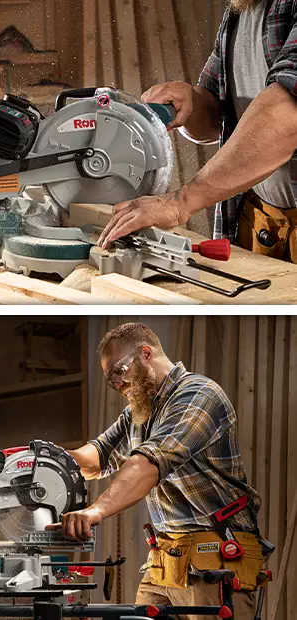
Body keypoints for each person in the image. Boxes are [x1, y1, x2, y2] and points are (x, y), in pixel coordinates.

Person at [49, 322, 269, 618]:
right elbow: (97, 457)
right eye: (109, 379)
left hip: (216, 560)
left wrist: (95, 511)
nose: (117, 384)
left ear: (146, 353)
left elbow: (149, 464)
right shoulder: (140, 411)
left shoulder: (199, 395)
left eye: (118, 371)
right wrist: (42, 463)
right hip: (166, 563)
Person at [99, 0, 297, 263]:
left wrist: (180, 202)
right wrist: (191, 102)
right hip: (264, 226)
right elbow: (220, 114)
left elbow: (285, 118)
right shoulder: (241, 8)